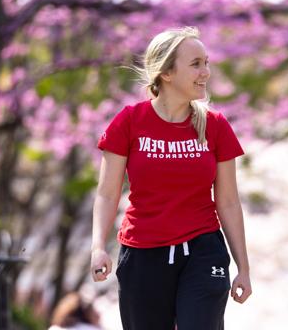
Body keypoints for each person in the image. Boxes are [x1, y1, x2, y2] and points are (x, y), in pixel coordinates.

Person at [89, 27, 252, 330]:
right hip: (143, 254)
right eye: (196, 64)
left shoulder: (215, 126)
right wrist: (98, 246)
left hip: (203, 250)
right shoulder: (129, 121)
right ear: (166, 73)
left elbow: (228, 201)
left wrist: (243, 267)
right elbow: (107, 194)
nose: (206, 72)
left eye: (206, 62)